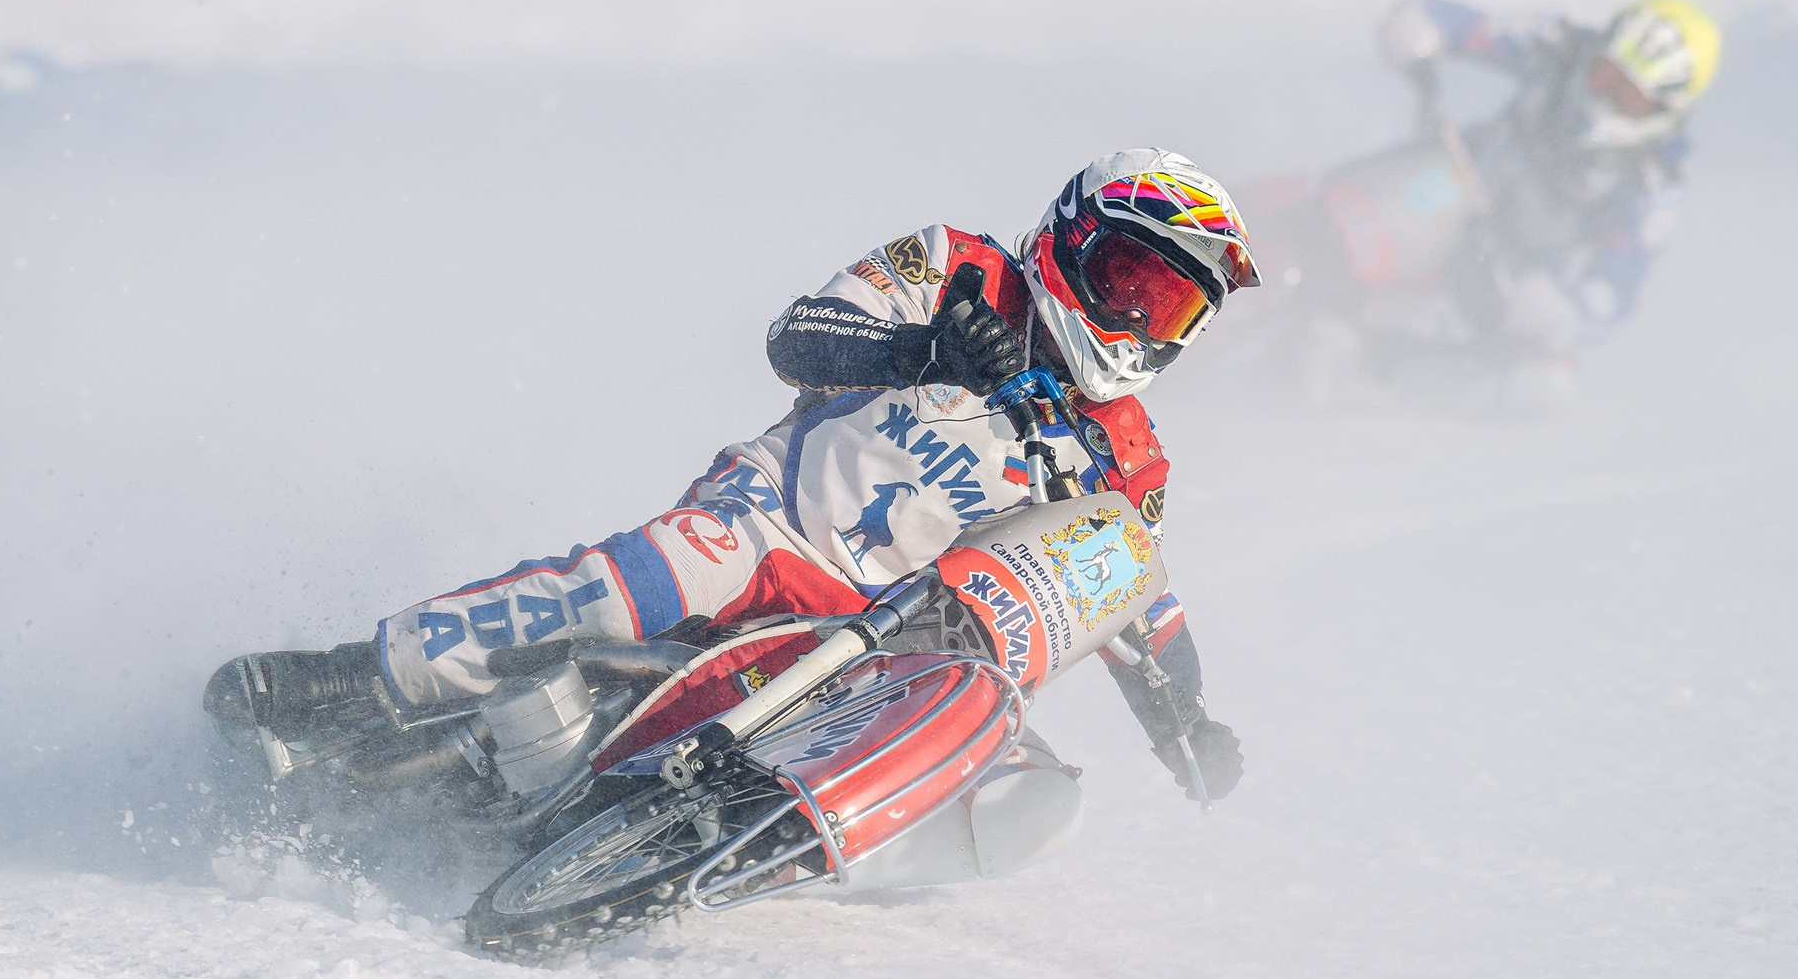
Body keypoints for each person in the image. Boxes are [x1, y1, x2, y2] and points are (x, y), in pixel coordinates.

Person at [207, 149, 1259, 889]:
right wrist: (921, 350)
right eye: (1127, 278)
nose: (1134, 318)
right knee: (640, 579)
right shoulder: (954, 265)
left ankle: (754, 855)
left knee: (1031, 803)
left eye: (1168, 307)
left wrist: (1188, 726)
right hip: (771, 524)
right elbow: (799, 336)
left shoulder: (1127, 455)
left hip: (895, 638)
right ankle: (362, 671)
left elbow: (1127, 596)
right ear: (1073, 238)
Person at [1375, 0, 1720, 352]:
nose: (1602, 99)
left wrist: (1570, 311)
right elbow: (1481, 31)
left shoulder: (1656, 184)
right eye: (1605, 76)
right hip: (1450, 180)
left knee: (1536, 379)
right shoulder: (1564, 50)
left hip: (1506, 281)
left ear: (1662, 110)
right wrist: (1426, 26)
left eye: (1627, 95)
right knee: (1379, 215)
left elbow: (1617, 285)